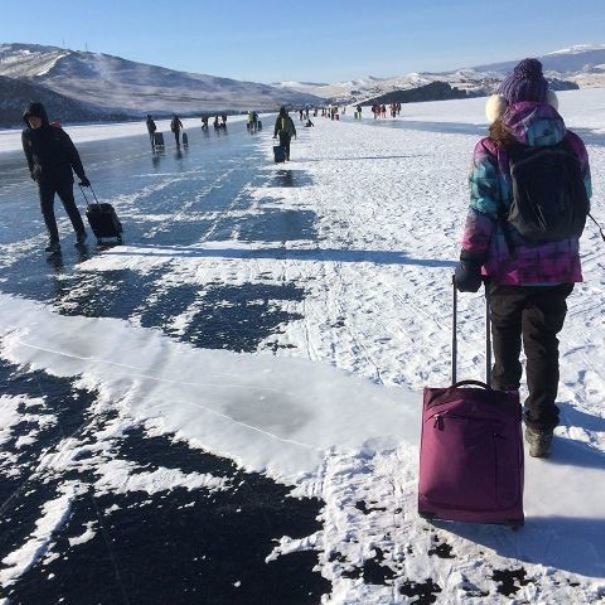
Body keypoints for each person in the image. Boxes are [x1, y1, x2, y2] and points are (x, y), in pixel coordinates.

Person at [454, 58, 592, 458]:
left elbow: (481, 209)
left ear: (501, 104)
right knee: (543, 344)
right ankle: (540, 430)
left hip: (507, 268)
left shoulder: (492, 147)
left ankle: (503, 415)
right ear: (549, 101)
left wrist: (468, 261)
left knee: (506, 342)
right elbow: (582, 199)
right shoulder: (572, 143)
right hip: (559, 265)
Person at [22, 102, 90, 254]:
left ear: (43, 117)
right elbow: (28, 155)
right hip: (43, 178)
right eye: (30, 119)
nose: (33, 121)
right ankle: (54, 241)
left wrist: (81, 175)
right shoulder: (26, 134)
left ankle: (81, 233)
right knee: (46, 210)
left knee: (69, 205)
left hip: (62, 176)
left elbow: (73, 154)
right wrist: (32, 171)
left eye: (36, 118)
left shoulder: (57, 132)